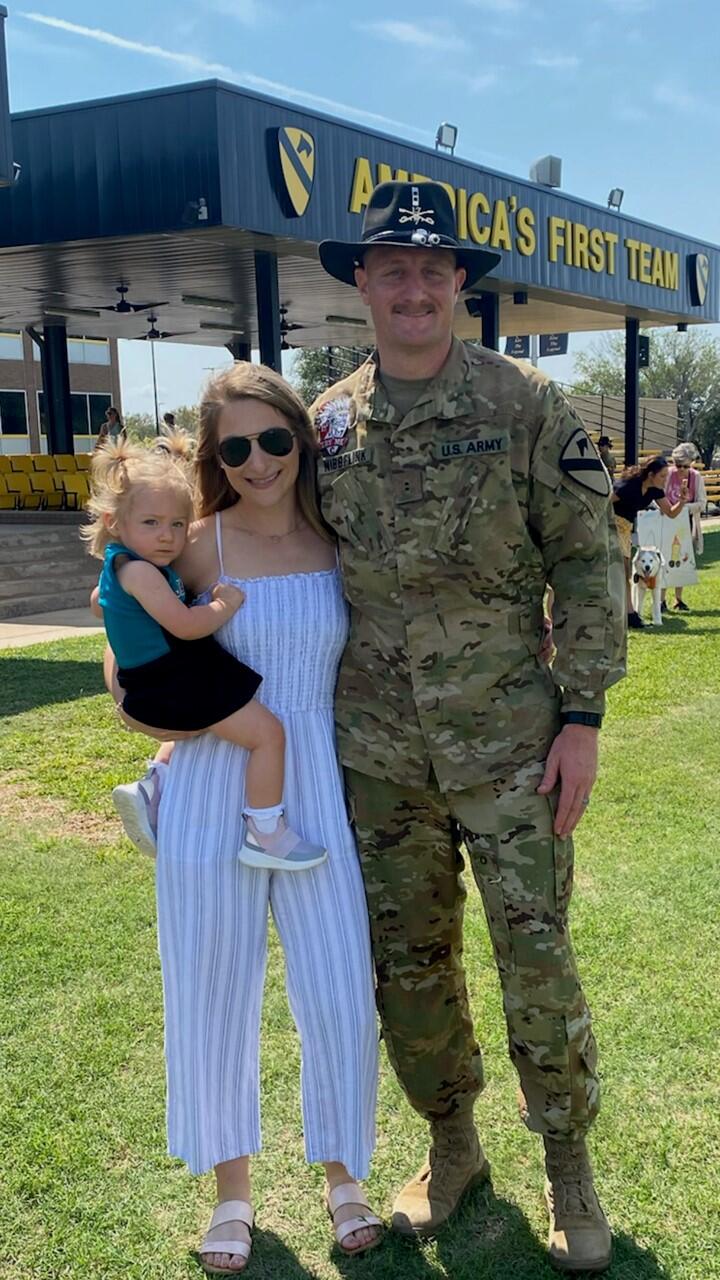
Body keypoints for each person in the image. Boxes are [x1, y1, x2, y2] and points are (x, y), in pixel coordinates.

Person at [311, 180, 626, 1274]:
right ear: (361, 281)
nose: (411, 287)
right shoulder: (327, 425)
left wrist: (581, 714)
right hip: (379, 755)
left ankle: (568, 1164)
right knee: (409, 964)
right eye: (390, 268)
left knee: (535, 953)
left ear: (459, 285)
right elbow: (284, 570)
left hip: (512, 746)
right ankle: (452, 1146)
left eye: (431, 270)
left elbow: (591, 561)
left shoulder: (525, 404)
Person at [103, 364, 381, 1273]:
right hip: (212, 787)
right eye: (235, 446)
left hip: (310, 790)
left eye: (273, 439)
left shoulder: (343, 538)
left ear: (301, 437)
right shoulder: (193, 546)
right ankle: (232, 1193)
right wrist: (144, 714)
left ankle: (344, 1178)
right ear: (214, 456)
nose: (258, 460)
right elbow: (127, 653)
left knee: (340, 988)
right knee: (212, 989)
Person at [85, 438, 326, 873]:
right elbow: (186, 626)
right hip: (171, 677)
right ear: (114, 522)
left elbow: (98, 601)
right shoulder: (140, 571)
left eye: (178, 524)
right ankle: (265, 830)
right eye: (152, 522)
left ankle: (156, 781)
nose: (168, 536)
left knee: (207, 726)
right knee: (267, 734)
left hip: (162, 675)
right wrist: (224, 605)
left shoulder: (126, 566)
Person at [612, 455, 687, 629]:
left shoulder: (655, 490)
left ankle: (628, 613)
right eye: (662, 476)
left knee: (624, 571)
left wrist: (682, 500)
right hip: (610, 523)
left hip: (625, 528)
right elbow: (604, 503)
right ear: (651, 474)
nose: (665, 480)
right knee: (623, 569)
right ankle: (629, 614)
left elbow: (670, 512)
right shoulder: (628, 486)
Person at [660, 442, 706, 612]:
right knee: (665, 559)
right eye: (678, 465)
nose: (681, 469)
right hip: (667, 520)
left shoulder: (696, 477)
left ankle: (678, 599)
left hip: (686, 522)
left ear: (691, 464)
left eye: (685, 466)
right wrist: (669, 509)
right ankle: (661, 600)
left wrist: (683, 506)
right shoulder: (667, 475)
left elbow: (702, 503)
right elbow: (658, 497)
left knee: (683, 559)